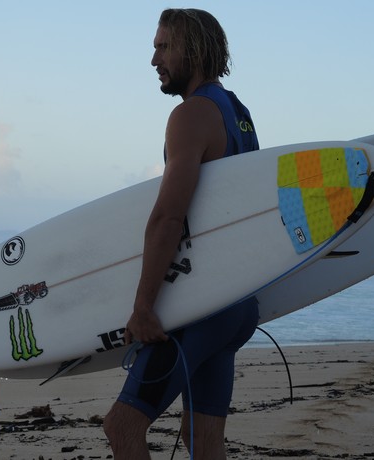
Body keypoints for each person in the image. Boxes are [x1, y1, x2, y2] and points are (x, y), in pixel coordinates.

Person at [103, 9, 260, 460]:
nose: (154, 59)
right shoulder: (238, 113)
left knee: (123, 426)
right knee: (203, 439)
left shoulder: (191, 115)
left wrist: (143, 307)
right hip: (236, 303)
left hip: (202, 307)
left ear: (192, 50)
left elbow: (169, 218)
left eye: (163, 47)